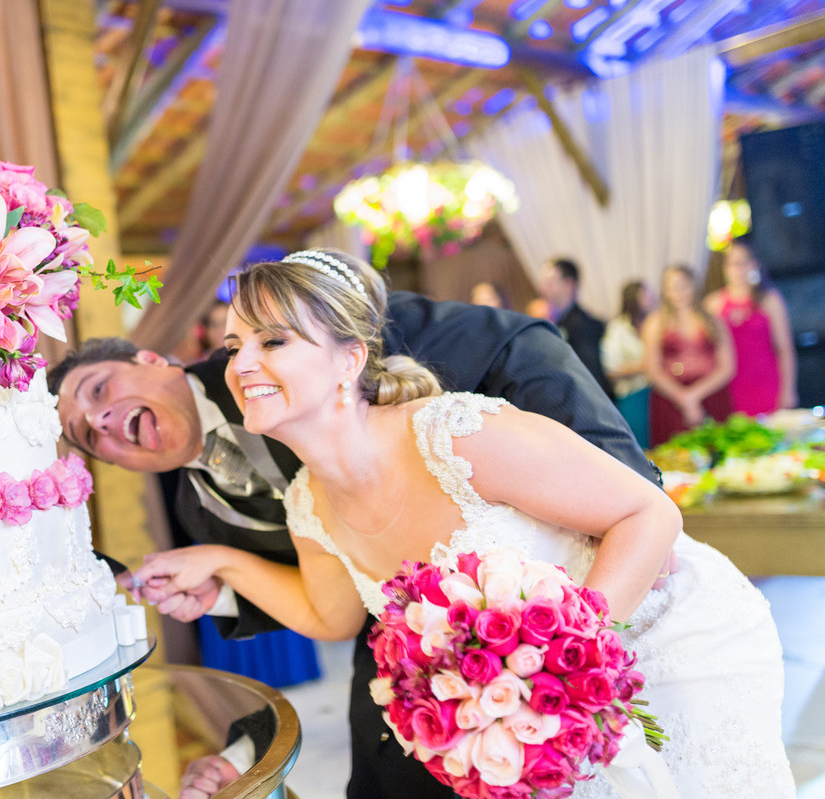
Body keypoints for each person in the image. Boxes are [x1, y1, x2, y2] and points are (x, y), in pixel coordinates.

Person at [133, 252, 794, 797]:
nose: (241, 365)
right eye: (234, 346)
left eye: (272, 340)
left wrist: (562, 674)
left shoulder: (453, 436)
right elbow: (328, 614)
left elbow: (648, 512)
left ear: (349, 359)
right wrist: (221, 561)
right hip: (536, 712)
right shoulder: (308, 503)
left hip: (668, 646)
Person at [642, 265, 735, 447]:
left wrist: (694, 395)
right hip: (671, 399)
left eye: (683, 285)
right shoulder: (655, 323)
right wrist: (683, 398)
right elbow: (653, 370)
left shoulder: (713, 320)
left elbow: (727, 367)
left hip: (710, 394)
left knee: (716, 448)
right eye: (672, 287)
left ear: (694, 286)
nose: (678, 292)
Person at [704, 237, 798, 416]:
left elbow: (784, 349)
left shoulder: (769, 300)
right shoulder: (713, 304)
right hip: (728, 387)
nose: (738, 269)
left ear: (754, 265)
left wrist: (788, 390)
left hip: (766, 381)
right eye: (733, 264)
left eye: (743, 263)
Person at [538, 258, 612, 397]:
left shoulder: (583, 325)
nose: (543, 288)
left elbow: (591, 375)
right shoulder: (559, 321)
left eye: (550, 282)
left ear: (569, 284)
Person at [601, 280, 657, 448]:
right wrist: (647, 366)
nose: (650, 299)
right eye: (645, 295)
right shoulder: (618, 328)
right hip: (633, 394)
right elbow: (611, 369)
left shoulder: (656, 322)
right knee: (641, 444)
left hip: (657, 393)